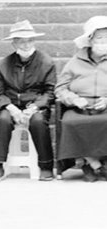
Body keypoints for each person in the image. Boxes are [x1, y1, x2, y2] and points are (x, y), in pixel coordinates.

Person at [0, 21, 57, 183]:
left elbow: (50, 92)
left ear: (34, 41)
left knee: (38, 121)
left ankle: (45, 166)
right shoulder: (4, 64)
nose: (26, 45)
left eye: (30, 41)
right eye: (21, 41)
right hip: (11, 105)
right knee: (2, 120)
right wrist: (11, 108)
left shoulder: (46, 62)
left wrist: (34, 107)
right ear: (14, 43)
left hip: (36, 106)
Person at [55, 15, 107, 182]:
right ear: (90, 40)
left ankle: (93, 163)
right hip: (79, 107)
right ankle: (94, 163)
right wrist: (74, 99)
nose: (104, 42)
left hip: (104, 107)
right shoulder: (75, 62)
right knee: (70, 123)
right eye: (99, 38)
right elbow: (60, 88)